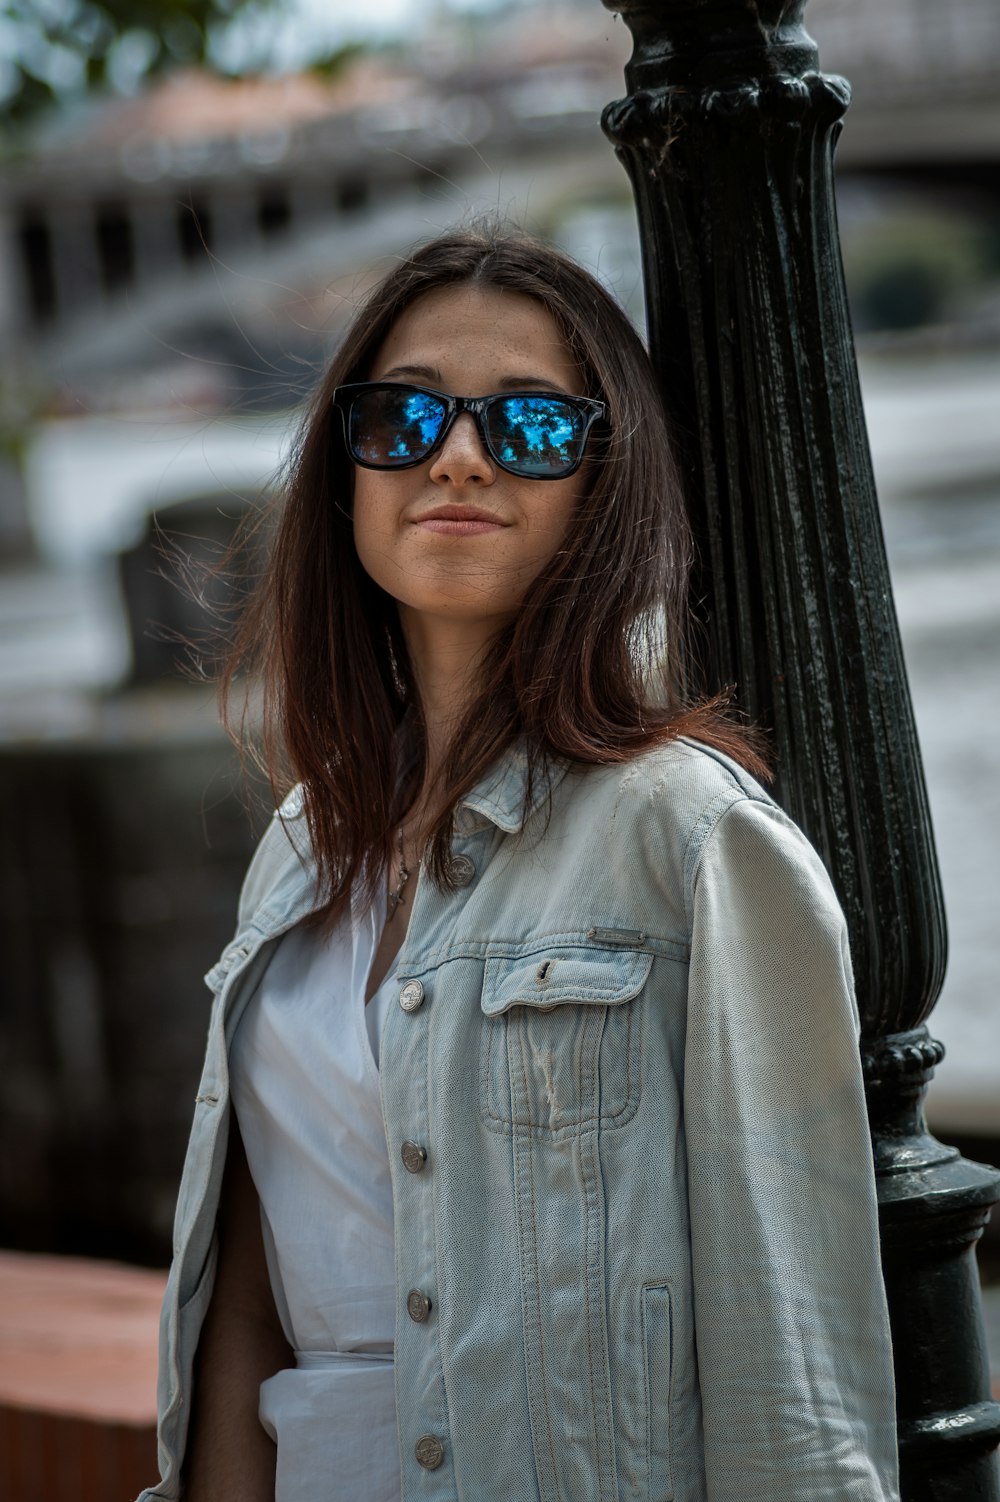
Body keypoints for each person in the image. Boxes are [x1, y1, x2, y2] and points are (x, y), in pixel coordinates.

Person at [138, 225, 900, 1502]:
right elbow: (251, 1320)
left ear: (607, 481)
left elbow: (793, 1372)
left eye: (532, 426)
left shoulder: (692, 840)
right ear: (346, 473)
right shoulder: (300, 844)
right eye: (403, 417)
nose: (458, 456)